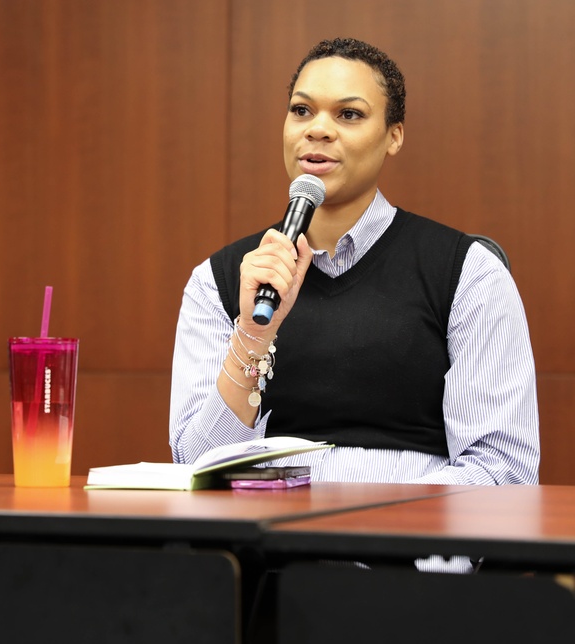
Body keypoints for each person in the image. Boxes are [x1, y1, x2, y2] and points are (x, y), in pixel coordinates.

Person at [170, 38, 539, 486]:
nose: (318, 129)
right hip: (266, 547)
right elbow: (195, 466)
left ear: (394, 136)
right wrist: (254, 332)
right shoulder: (221, 280)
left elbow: (503, 470)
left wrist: (372, 529)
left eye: (349, 114)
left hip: (406, 548)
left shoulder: (467, 273)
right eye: (301, 110)